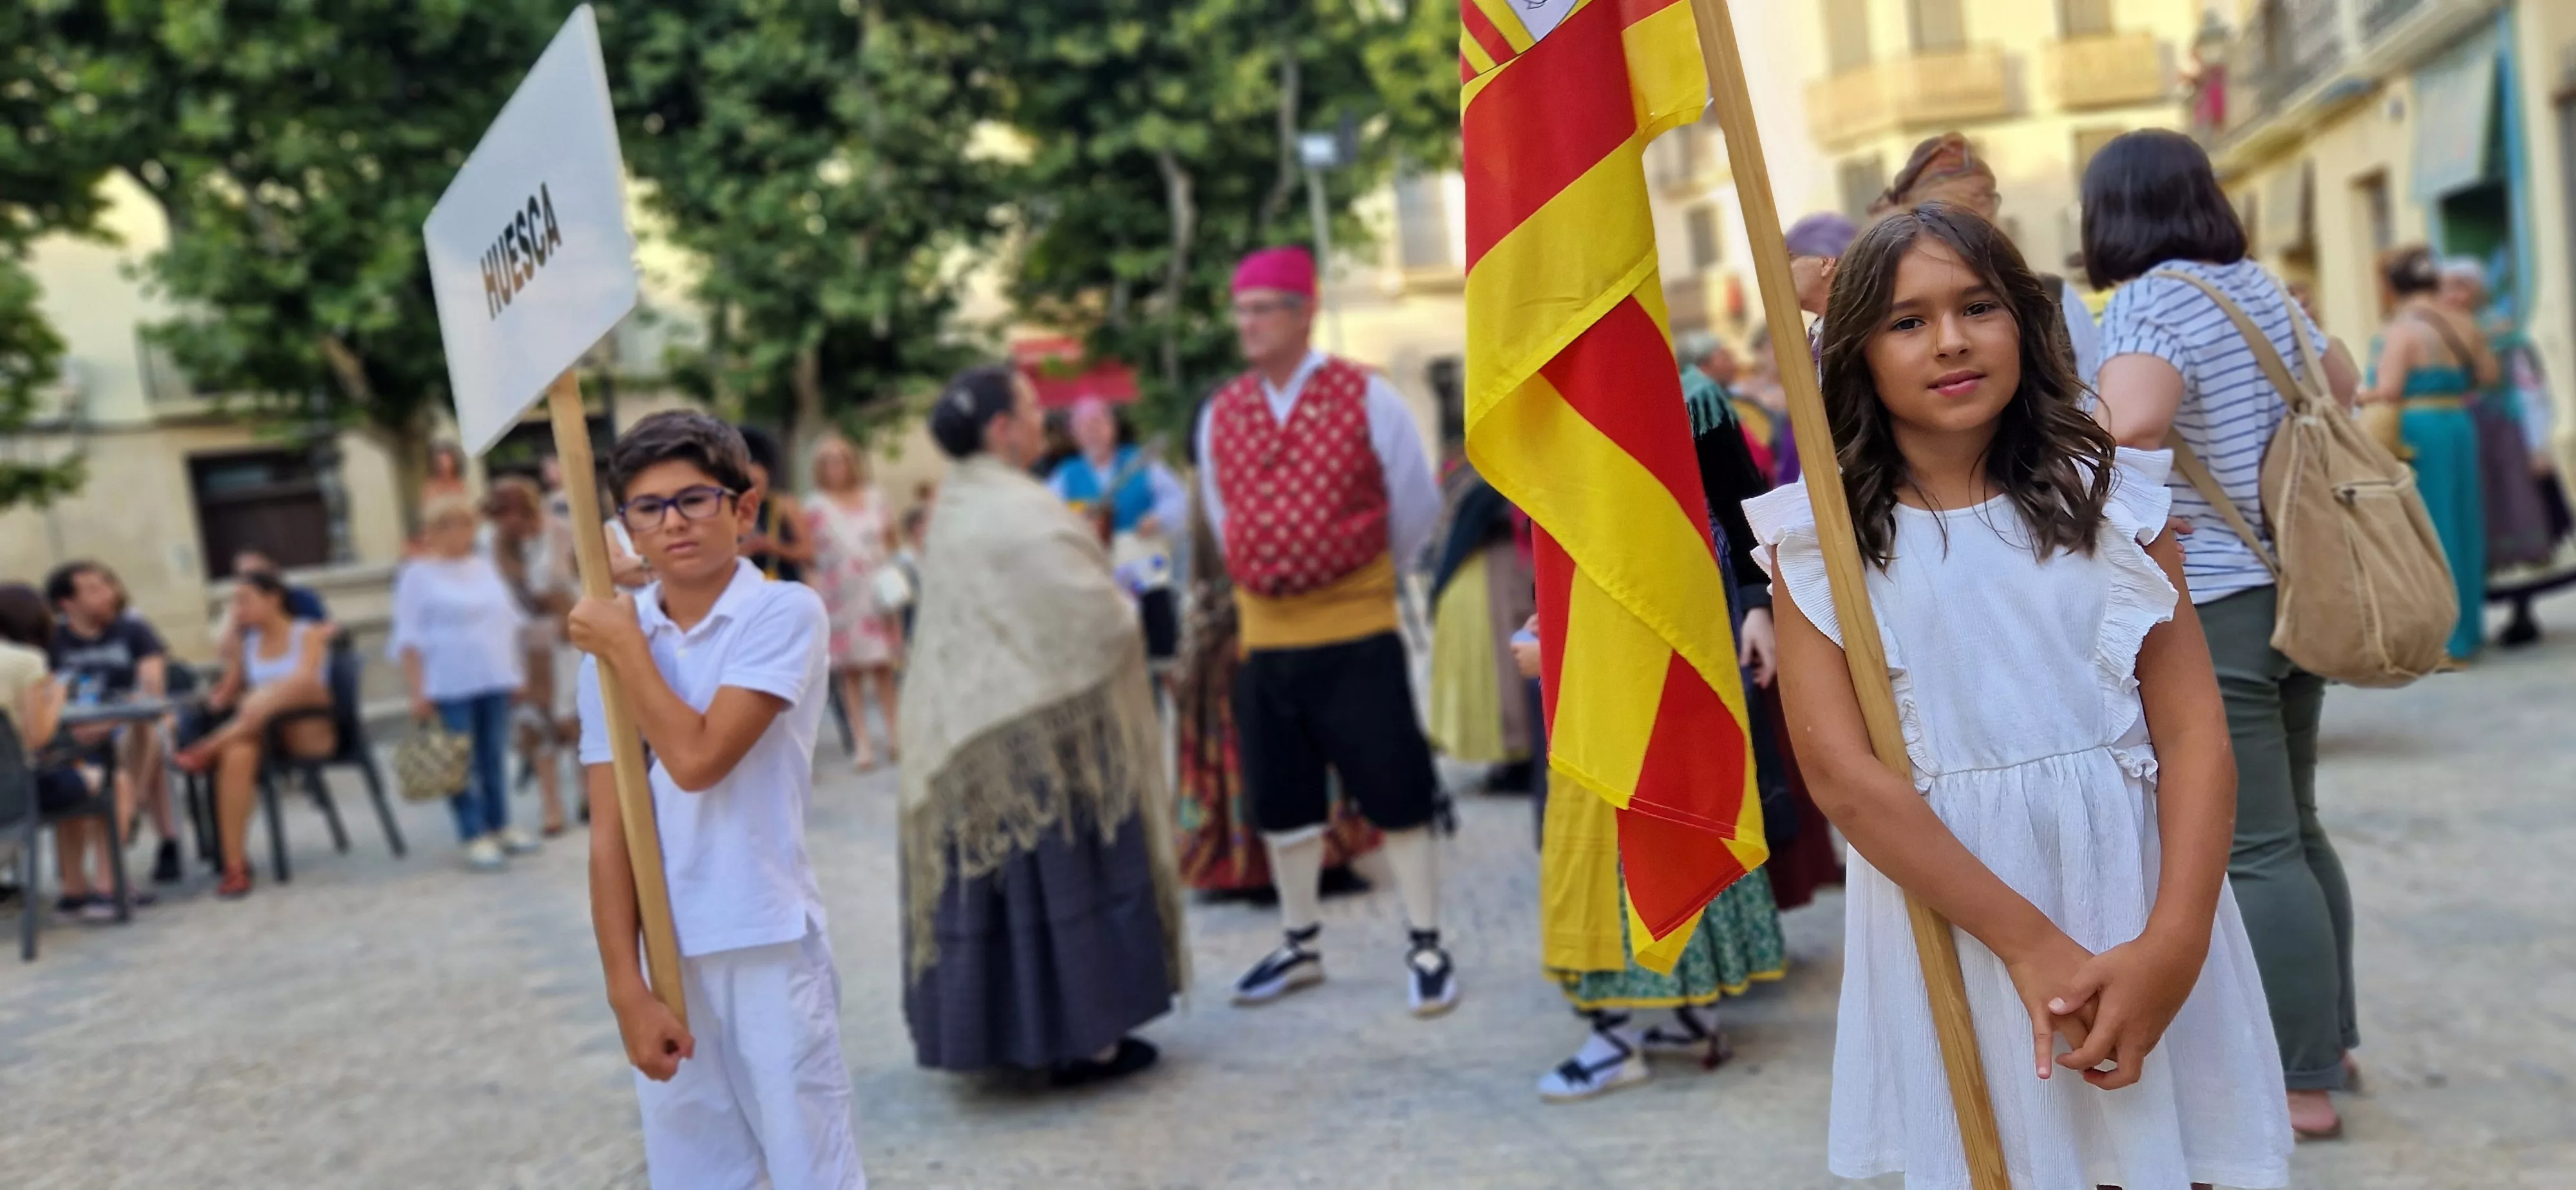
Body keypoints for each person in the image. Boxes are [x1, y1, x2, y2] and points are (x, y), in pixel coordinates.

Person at [1761, 203, 2290, 1187]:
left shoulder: (2116, 500)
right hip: (1964, 915)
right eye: (1907, 321)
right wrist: (2029, 945)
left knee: (2168, 1155)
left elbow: (2194, 735)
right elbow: (1843, 778)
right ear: (1859, 352)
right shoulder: (1820, 543)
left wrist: (2172, 944)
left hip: (2141, 896)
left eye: (1978, 306)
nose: (1952, 341)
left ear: (2026, 322)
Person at [2085, 128, 2365, 1141]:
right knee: (2300, 822)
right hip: (2299, 580)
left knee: (2256, 845)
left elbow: (2133, 423)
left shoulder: (2154, 301)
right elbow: (2342, 387)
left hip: (2217, 593)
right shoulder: (2257, 285)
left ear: (2111, 211)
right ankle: (2328, 1038)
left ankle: (2301, 1082)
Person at [566, 410, 864, 1189]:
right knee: (698, 1171)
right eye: (647, 508)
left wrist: (628, 649)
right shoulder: (612, 645)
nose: (672, 523)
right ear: (626, 527)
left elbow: (699, 759)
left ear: (743, 507)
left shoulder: (781, 614)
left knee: (810, 1166)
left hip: (764, 933)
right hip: (669, 953)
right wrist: (624, 988)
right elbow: (610, 833)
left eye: (694, 499)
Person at [897, 365, 1184, 1087]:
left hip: (970, 724)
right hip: (1039, 733)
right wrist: (1125, 612)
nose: (1039, 423)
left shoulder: (959, 504)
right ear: (1002, 428)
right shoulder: (1016, 510)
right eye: (1030, 409)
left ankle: (1002, 1035)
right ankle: (1088, 1042)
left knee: (1003, 886)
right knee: (1062, 870)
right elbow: (1085, 617)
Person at [1195, 245, 1456, 1015]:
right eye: (1239, 310)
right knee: (1281, 799)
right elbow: (1221, 513)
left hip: (1355, 628)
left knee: (1396, 785)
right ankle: (1300, 939)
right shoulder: (1223, 411)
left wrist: (1364, 577)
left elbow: (1413, 503)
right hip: (1266, 639)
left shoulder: (1365, 397)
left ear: (1303, 312)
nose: (1245, 324)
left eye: (1260, 309)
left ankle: (1426, 939)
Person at [1526, 361, 1790, 1103]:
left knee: (1671, 810)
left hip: (1685, 632)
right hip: (1592, 639)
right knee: (1614, 819)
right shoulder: (1538, 382)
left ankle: (1623, 1034)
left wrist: (1756, 606)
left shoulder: (1691, 393)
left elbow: (1742, 506)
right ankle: (1677, 1014)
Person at [1173, 435, 1380, 896]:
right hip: (1252, 635)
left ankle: (1310, 861)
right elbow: (1210, 571)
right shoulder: (1219, 482)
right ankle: (1273, 866)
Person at [1870, 133, 2102, 385]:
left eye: (1986, 198)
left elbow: (2093, 388)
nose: (1952, 343)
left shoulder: (2052, 295)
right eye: (1961, 202)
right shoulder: (1879, 298)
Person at [2360, 245, 2496, 662]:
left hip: (2417, 432)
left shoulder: (2400, 331)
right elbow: (2490, 375)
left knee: (2431, 531)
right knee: (2465, 524)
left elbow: (2388, 390)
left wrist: (2352, 394)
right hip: (2459, 424)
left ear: (2392, 287)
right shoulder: (2463, 323)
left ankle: (2443, 639)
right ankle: (2469, 631)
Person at [173, 572, 336, 899]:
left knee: (288, 686)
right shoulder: (247, 646)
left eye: (244, 600)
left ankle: (208, 748)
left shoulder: (307, 634)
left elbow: (307, 679)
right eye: (235, 603)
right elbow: (224, 697)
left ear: (273, 597)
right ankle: (235, 867)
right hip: (263, 734)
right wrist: (231, 641)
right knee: (238, 754)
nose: (238, 609)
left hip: (309, 728)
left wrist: (262, 697)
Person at [397, 496, 533, 869]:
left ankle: (500, 823)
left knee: (493, 754)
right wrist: (417, 690)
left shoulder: (484, 567)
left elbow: (508, 621)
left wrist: (516, 671)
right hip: (448, 678)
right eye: (449, 526)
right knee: (458, 758)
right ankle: (472, 831)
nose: (459, 534)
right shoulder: (417, 575)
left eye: (465, 525)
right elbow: (409, 637)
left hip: (492, 673)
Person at [43, 561, 178, 887]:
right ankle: (126, 829)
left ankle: (126, 817)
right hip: (73, 735)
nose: (109, 594)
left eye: (107, 585)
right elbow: (44, 700)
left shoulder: (134, 632)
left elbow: (151, 691)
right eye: (93, 590)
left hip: (127, 728)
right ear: (67, 603)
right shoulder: (53, 642)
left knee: (145, 730)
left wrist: (111, 720)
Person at [2, 585, 126, 920]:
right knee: (115, 780)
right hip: (16, 797)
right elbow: (38, 737)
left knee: (70, 775)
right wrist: (55, 697)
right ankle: (106, 891)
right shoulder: (26, 661)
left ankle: (74, 893)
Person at [1048, 398, 1188, 669]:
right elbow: (1048, 515)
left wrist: (1158, 517)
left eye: (1099, 421)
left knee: (1158, 628)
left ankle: (1165, 675)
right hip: (1095, 570)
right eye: (1085, 425)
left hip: (1143, 563)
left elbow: (1178, 499)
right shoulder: (1065, 476)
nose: (1093, 430)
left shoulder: (1140, 462)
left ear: (1112, 426)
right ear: (1075, 434)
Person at [802, 435, 903, 771]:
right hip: (839, 592)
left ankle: (894, 733)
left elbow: (891, 540)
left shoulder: (875, 497)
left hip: (874, 588)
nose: (837, 467)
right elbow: (811, 553)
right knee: (850, 671)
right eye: (829, 460)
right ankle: (862, 741)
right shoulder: (815, 506)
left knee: (883, 665)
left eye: (842, 458)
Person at [485, 477, 578, 836]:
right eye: (501, 517)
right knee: (537, 723)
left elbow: (576, 579)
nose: (510, 524)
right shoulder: (496, 546)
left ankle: (588, 797)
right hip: (527, 643)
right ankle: (551, 807)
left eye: (514, 514)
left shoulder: (561, 533)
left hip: (568, 636)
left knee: (575, 719)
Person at [737, 426, 813, 585]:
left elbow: (808, 552)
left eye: (756, 482)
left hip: (782, 583)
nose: (751, 489)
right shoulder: (730, 507)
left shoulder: (785, 505)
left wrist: (774, 547)